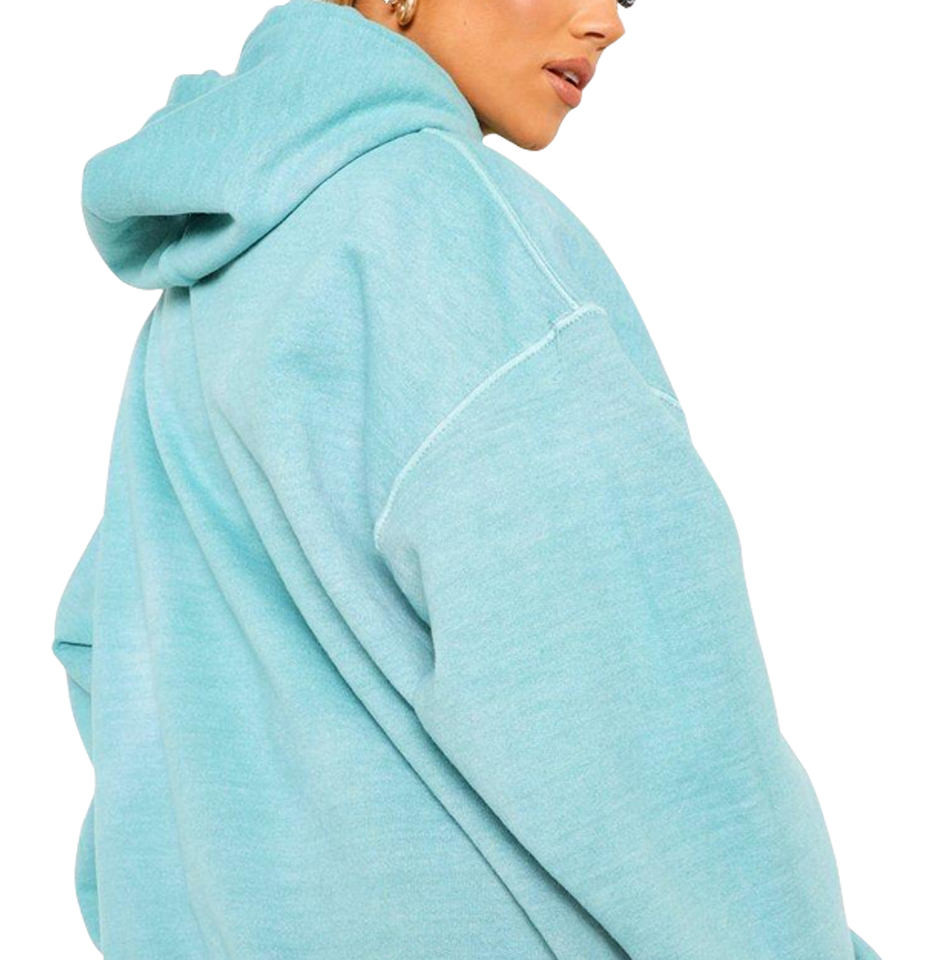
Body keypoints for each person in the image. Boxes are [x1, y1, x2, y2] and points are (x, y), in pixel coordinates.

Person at [51, 1, 882, 958]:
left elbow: (111, 657)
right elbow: (640, 719)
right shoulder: (440, 223)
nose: (607, 23)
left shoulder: (212, 284)